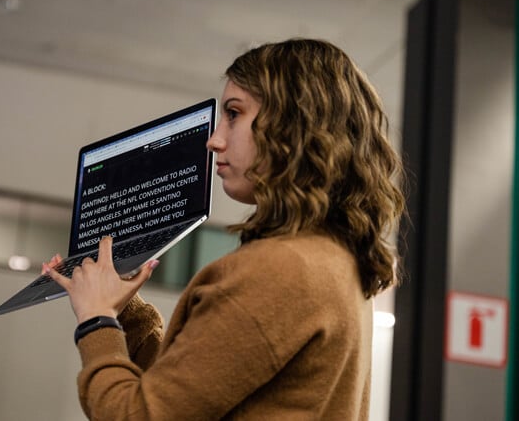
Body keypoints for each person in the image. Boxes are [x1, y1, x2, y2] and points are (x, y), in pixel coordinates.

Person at [44, 38, 405, 420]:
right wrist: (124, 312)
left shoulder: (278, 271)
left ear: (292, 124)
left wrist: (96, 319)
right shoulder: (329, 258)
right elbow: (191, 397)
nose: (214, 141)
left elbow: (136, 415)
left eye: (234, 114)